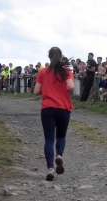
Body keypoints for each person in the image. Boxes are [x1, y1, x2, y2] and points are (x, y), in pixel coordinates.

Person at [34, 47, 74, 181]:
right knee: (61, 136)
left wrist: (47, 89)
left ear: (49, 56)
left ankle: (50, 168)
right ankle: (59, 155)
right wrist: (64, 91)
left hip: (47, 108)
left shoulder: (43, 71)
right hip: (63, 107)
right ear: (61, 56)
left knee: (49, 139)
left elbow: (36, 91)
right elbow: (71, 86)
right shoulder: (67, 71)